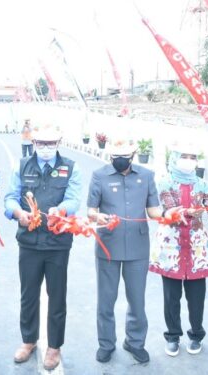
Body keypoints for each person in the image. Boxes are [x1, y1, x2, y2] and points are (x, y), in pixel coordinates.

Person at [4, 124, 82, 370]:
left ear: (58, 143)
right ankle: (28, 341)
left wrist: (62, 210)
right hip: (29, 241)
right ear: (33, 143)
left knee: (57, 296)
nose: (46, 148)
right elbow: (10, 197)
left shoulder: (70, 167)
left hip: (58, 242)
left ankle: (54, 347)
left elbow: (74, 198)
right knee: (28, 295)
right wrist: (18, 213)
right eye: (41, 144)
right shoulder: (22, 165)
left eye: (51, 144)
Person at [86, 136, 161, 364]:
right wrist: (98, 216)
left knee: (137, 299)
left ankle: (135, 342)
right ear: (110, 156)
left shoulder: (146, 176)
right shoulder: (99, 175)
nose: (120, 160)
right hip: (108, 245)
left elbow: (154, 211)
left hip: (138, 247)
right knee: (106, 299)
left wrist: (173, 215)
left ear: (133, 156)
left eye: (124, 157)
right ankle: (106, 344)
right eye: (116, 157)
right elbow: (91, 210)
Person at [149, 140, 208, 358]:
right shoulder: (164, 183)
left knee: (197, 296)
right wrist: (189, 211)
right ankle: (172, 336)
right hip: (170, 246)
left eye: (192, 157)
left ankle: (196, 335)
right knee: (171, 296)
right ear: (174, 158)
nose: (188, 161)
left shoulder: (203, 184)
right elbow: (172, 211)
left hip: (197, 249)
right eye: (184, 156)